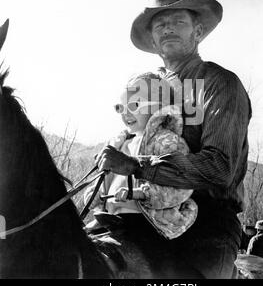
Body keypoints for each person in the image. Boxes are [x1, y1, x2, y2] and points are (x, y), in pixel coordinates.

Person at [95, 0, 252, 278]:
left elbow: (219, 167)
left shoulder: (221, 84)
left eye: (178, 21)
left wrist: (136, 166)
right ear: (153, 41)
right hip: (139, 214)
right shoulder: (143, 87)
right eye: (160, 25)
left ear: (198, 31)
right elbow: (130, 138)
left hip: (208, 220)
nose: (168, 28)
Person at [84, 72, 198, 241]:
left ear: (160, 106)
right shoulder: (119, 144)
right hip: (111, 220)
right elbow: (103, 181)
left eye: (135, 105)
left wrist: (139, 193)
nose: (125, 113)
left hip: (147, 222)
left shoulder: (167, 141)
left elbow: (181, 185)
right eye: (120, 107)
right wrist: (95, 195)